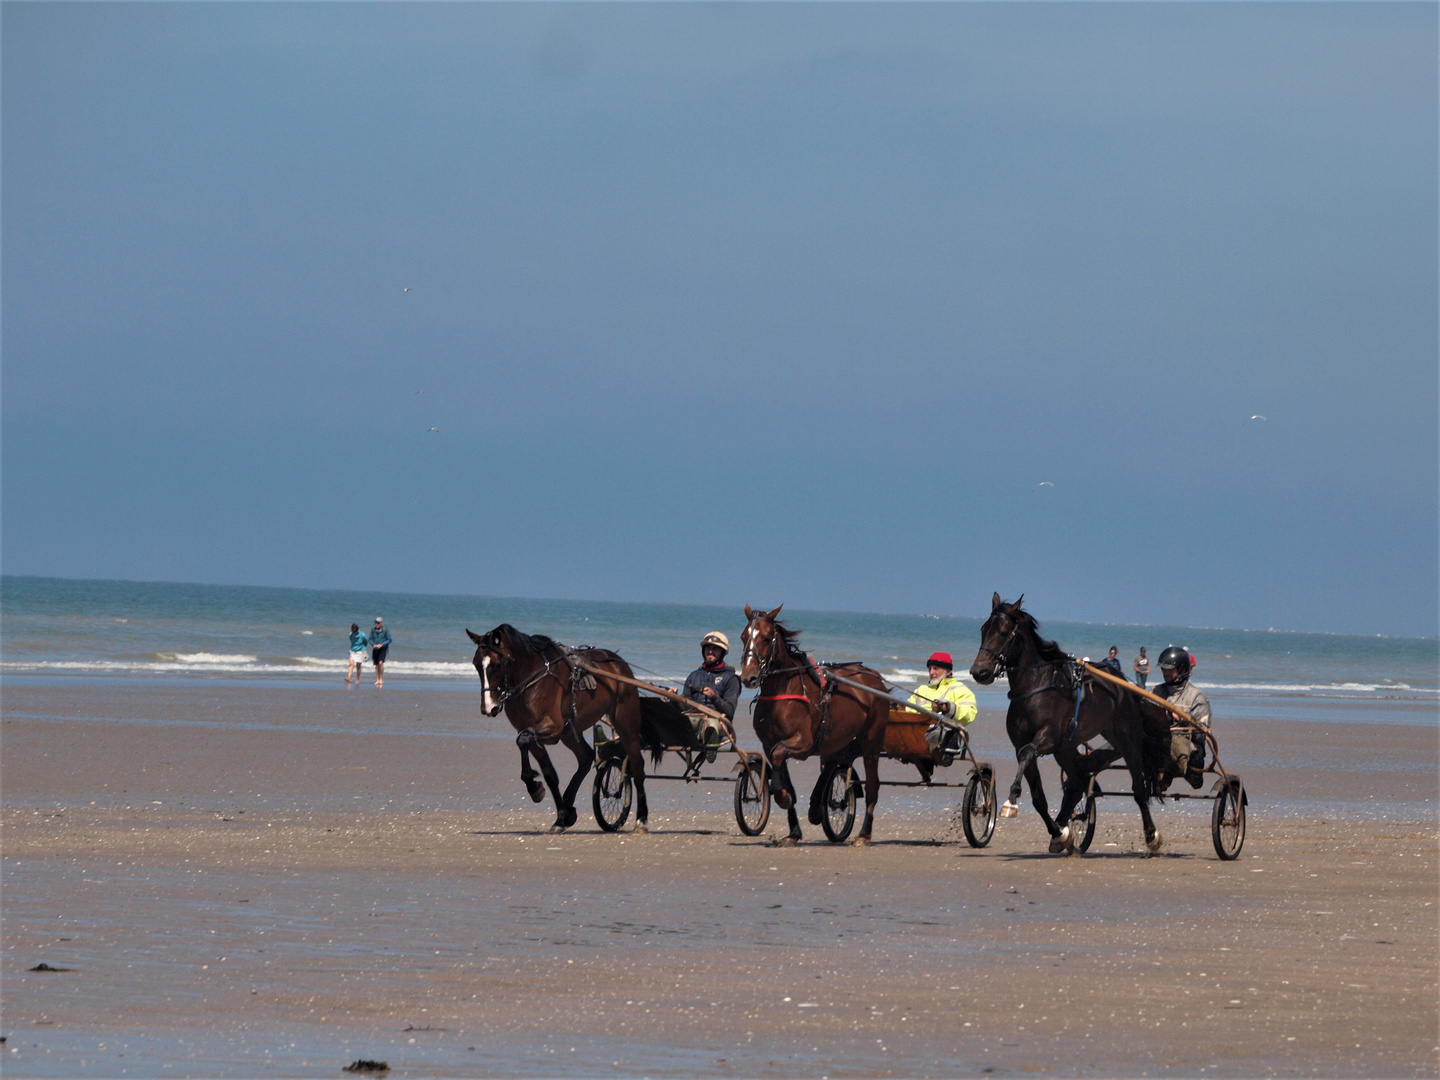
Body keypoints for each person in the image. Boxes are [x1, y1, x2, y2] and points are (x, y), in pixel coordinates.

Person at [1152, 645, 1211, 788]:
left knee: (1174, 741)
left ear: (1183, 670)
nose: (1165, 673)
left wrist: (1181, 720)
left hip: (1187, 745)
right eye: (1164, 669)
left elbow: (1201, 733)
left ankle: (1188, 773)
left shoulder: (1197, 697)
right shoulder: (1156, 691)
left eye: (1170, 669)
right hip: (1158, 741)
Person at [679, 632, 741, 763]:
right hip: (694, 719)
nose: (710, 651)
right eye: (708, 648)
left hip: (720, 723)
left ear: (722, 653)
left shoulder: (731, 678)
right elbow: (684, 706)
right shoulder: (693, 676)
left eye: (715, 648)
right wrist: (675, 698)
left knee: (710, 725)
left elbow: (729, 712)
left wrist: (714, 697)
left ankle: (711, 743)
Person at [909, 651, 977, 764]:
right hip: (919, 729)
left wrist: (947, 708)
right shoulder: (921, 689)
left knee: (936, 734)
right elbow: (909, 710)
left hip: (944, 730)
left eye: (935, 668)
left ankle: (945, 748)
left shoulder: (959, 689)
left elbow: (969, 713)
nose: (931, 672)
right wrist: (900, 708)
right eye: (930, 669)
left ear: (948, 671)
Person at [369, 617, 392, 688]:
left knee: (380, 663)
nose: (377, 624)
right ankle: (377, 679)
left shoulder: (385, 630)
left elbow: (389, 639)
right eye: (376, 622)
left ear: (381, 623)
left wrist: (382, 644)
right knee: (376, 665)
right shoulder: (373, 630)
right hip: (375, 649)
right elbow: (370, 639)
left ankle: (381, 679)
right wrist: (373, 644)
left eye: (378, 623)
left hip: (383, 649)